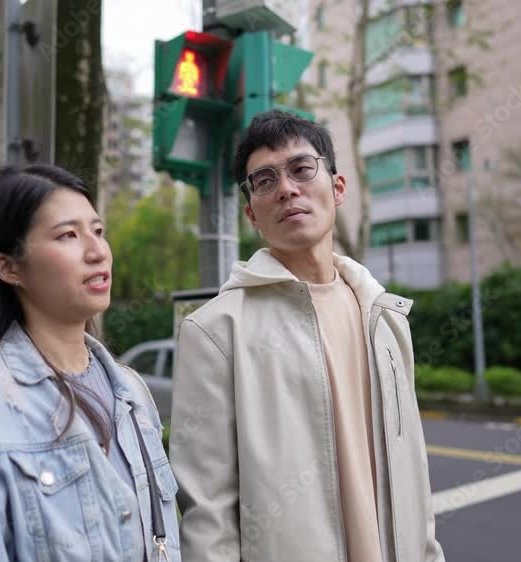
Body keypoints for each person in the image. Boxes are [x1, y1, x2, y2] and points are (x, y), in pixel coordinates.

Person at [170, 110, 445, 562]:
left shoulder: (386, 318)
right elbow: (207, 514)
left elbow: (413, 470)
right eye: (264, 181)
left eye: (301, 169)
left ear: (338, 188)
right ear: (251, 213)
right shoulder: (215, 331)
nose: (286, 189)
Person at [0, 164, 180, 562]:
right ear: (8, 267)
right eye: (68, 235)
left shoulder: (132, 392)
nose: (97, 251)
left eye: (98, 230)